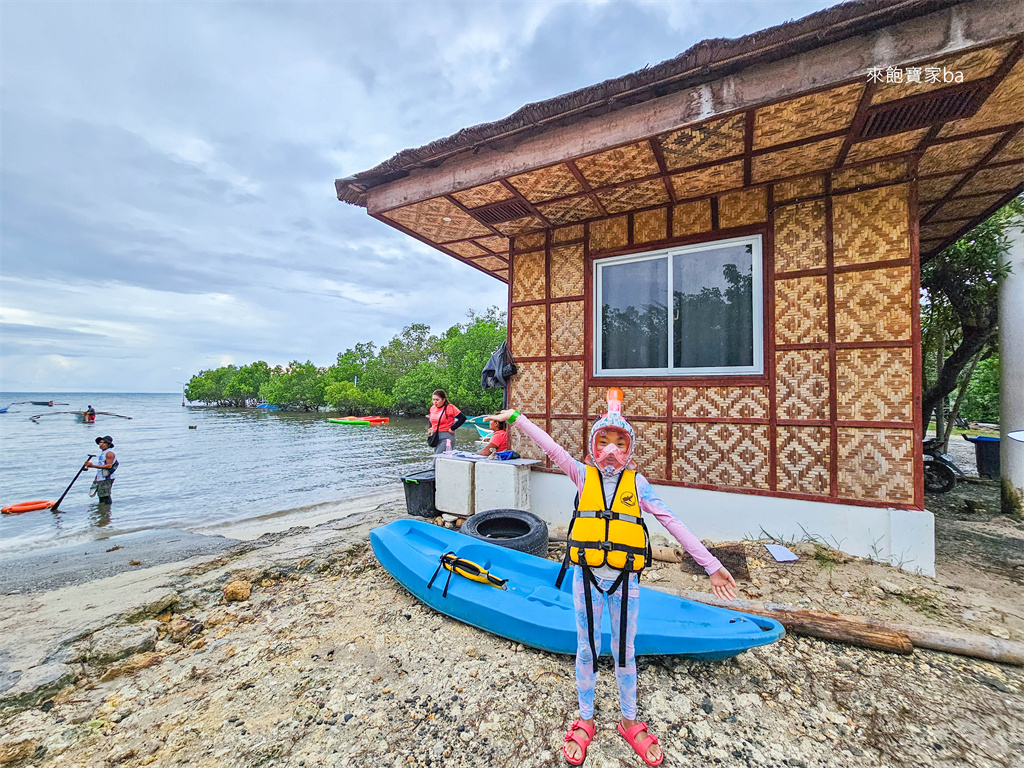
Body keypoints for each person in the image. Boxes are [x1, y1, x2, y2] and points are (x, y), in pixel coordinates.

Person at [489, 388, 736, 767]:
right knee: (586, 648)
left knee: (625, 652)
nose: (611, 451)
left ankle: (628, 722)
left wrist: (711, 565)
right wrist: (517, 419)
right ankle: (586, 720)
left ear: (631, 450)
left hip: (626, 582)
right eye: (603, 442)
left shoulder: (637, 486)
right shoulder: (582, 476)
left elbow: (671, 520)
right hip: (586, 579)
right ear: (592, 446)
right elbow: (553, 448)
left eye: (620, 443)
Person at [427, 390, 466, 454]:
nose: (435, 402)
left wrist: (453, 428)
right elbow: (431, 419)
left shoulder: (450, 408)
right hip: (435, 436)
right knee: (436, 456)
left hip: (446, 436)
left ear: (443, 400)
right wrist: (430, 429)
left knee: (438, 458)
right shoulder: (432, 408)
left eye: (437, 400)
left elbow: (462, 418)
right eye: (433, 400)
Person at [84, 436, 117, 504]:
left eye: (104, 443)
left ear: (108, 444)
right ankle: (104, 511)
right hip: (101, 478)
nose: (101, 444)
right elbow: (101, 467)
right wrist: (96, 478)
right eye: (100, 442)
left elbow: (109, 466)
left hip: (106, 478)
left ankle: (106, 511)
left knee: (105, 496)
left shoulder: (109, 453)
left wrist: (92, 466)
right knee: (101, 496)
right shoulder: (103, 453)